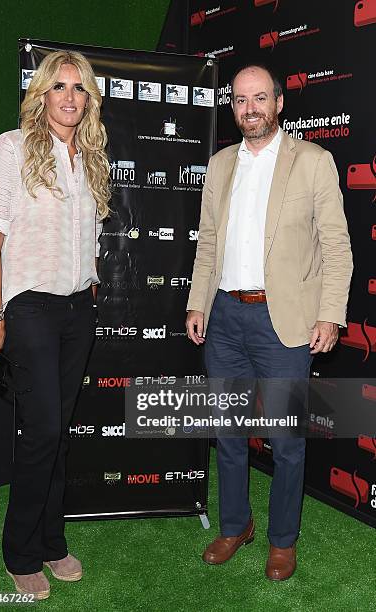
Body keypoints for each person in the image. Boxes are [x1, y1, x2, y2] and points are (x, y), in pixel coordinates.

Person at [186, 63, 353, 580]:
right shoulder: (218, 166)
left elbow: (337, 246)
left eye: (259, 98)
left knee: (286, 441)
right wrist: (198, 302)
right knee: (229, 435)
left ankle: (283, 538)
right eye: (239, 100)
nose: (249, 108)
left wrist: (330, 314)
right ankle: (236, 525)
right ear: (231, 106)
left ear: (279, 103)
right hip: (226, 316)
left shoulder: (312, 161)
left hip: (283, 322)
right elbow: (208, 242)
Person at [0, 50, 111, 599]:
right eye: (59, 87)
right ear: (42, 95)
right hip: (28, 305)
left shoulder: (92, 156)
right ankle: (20, 551)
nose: (69, 98)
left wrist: (91, 283)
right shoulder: (12, 148)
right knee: (44, 431)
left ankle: (52, 542)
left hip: (78, 308)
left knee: (59, 435)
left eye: (79, 89)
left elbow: (89, 235)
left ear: (89, 98)